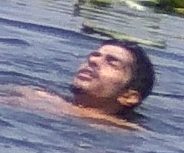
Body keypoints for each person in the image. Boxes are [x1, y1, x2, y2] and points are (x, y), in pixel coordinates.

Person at [15, 36, 157, 127]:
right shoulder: (35, 96)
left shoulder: (123, 131)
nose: (93, 60)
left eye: (112, 63)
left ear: (129, 97)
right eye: (95, 55)